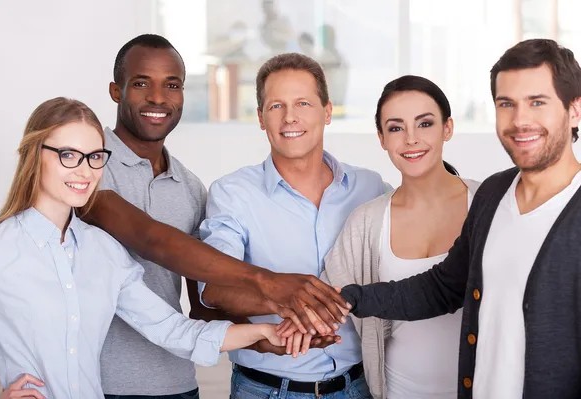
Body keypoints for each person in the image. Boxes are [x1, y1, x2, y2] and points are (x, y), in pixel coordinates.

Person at [0, 97, 284, 399]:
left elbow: (171, 330)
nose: (85, 171)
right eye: (69, 155)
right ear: (34, 155)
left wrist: (262, 332)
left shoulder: (103, 250)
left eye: (95, 157)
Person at [339, 39, 581, 399]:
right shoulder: (494, 195)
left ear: (574, 110)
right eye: (506, 104)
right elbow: (442, 287)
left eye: (537, 102)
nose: (520, 120)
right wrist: (348, 299)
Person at [83, 36, 352, 347]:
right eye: (142, 84)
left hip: (178, 386)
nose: (157, 98)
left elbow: (202, 306)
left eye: (171, 85)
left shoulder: (191, 187)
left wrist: (263, 340)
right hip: (101, 385)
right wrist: (269, 284)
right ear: (117, 91)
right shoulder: (85, 166)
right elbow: (152, 240)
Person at [198, 53, 392, 398]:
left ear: (327, 111)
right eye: (276, 106)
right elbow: (214, 290)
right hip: (267, 390)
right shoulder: (232, 193)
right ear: (260, 117)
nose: (290, 117)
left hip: (357, 387)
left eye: (303, 102)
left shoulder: (370, 187)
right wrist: (283, 301)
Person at [320, 75, 480, 398]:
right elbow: (327, 298)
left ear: (448, 127)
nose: (411, 139)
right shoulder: (367, 222)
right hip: (398, 390)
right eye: (395, 128)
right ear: (381, 137)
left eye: (425, 124)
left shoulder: (487, 205)